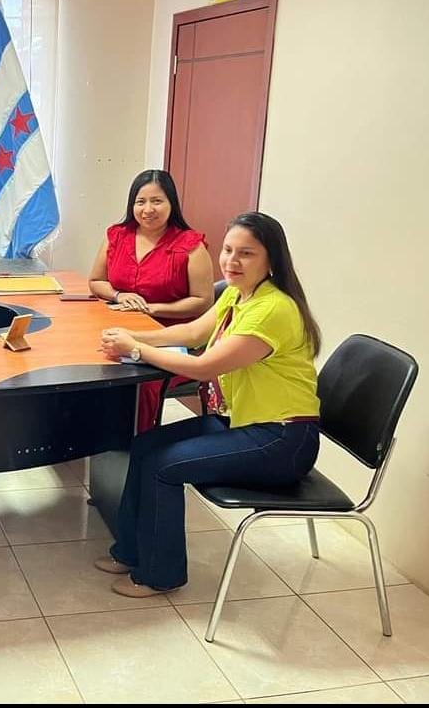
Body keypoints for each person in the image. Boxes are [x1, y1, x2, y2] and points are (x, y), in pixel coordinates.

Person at [95, 212, 321, 598]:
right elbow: (194, 333)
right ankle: (130, 552)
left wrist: (136, 349)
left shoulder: (273, 309)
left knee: (162, 466)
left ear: (272, 259)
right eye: (228, 250)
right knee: (145, 445)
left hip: (282, 438)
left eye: (246, 253)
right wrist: (133, 334)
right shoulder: (238, 292)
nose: (232, 261)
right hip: (241, 421)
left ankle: (159, 575)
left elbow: (204, 367)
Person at [88, 169, 214, 431]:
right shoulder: (117, 236)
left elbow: (203, 301)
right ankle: (93, 437)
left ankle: (136, 441)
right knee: (87, 365)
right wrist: (119, 295)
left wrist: (152, 308)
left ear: (171, 204)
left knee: (139, 382)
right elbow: (96, 281)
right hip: (119, 327)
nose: (148, 209)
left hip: (172, 338)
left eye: (157, 201)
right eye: (140, 201)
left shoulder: (191, 245)